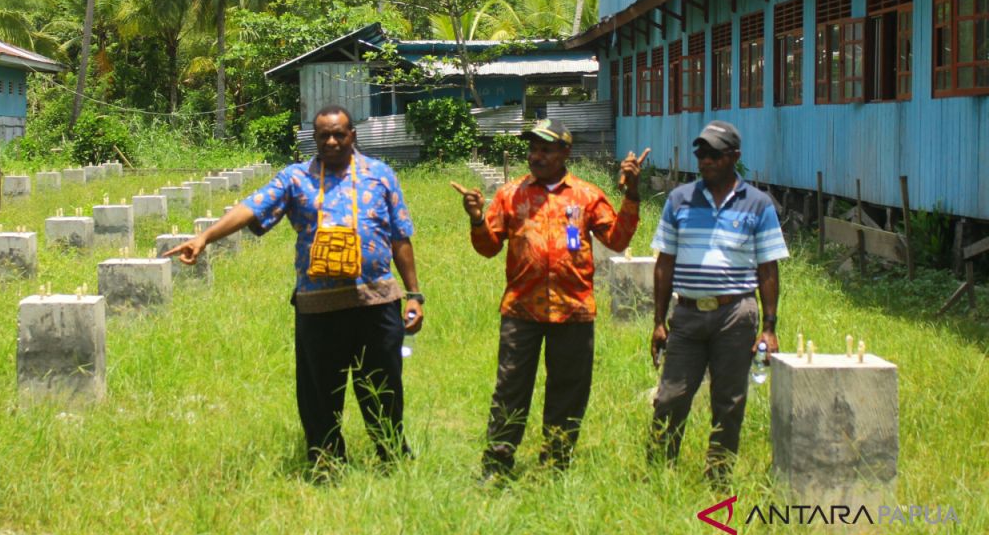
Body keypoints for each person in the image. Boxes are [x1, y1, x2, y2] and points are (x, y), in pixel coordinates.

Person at [165, 105, 424, 470]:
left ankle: (391, 458)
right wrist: (206, 236)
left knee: (383, 388)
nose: (332, 141)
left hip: (376, 303)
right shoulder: (295, 178)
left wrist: (414, 295)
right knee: (319, 394)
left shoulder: (380, 176)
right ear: (314, 139)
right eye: (323, 136)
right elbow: (252, 207)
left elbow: (400, 238)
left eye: (339, 134)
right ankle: (327, 464)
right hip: (318, 307)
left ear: (354, 135)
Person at [453, 118, 649, 477]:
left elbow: (617, 241)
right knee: (510, 389)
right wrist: (478, 219)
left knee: (568, 391)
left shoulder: (586, 196)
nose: (536, 156)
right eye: (533, 148)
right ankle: (497, 464)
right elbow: (488, 248)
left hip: (573, 311)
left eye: (545, 149)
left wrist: (632, 194)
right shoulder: (511, 194)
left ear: (565, 153)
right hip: (521, 310)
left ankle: (556, 464)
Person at [648, 120, 787, 484]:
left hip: (735, 315)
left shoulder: (758, 204)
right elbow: (665, 263)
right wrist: (659, 321)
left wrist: (769, 328)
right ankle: (659, 472)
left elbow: (767, 268)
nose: (704, 161)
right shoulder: (679, 199)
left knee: (729, 401)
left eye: (713, 155)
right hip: (689, 316)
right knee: (670, 397)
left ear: (734, 157)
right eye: (701, 154)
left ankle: (718, 477)